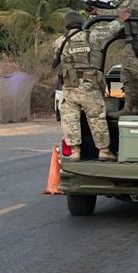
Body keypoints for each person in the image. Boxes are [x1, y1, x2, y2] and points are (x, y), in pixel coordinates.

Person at [54, 11, 116, 161]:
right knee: (96, 118)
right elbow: (112, 29)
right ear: (81, 23)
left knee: (70, 119)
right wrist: (120, 18)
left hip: (69, 87)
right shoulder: (92, 36)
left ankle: (75, 152)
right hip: (89, 86)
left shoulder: (59, 41)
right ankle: (104, 151)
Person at [92, 0, 138, 115]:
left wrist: (98, 11)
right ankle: (130, 107)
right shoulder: (131, 0)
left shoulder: (133, 1)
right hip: (132, 39)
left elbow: (118, 13)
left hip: (137, 41)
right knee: (126, 75)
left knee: (129, 62)